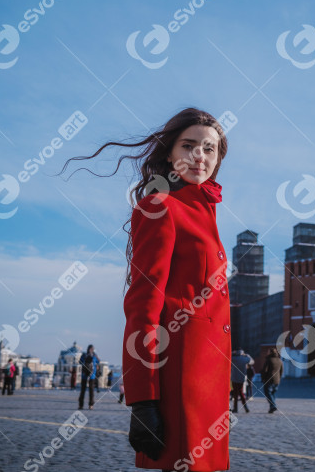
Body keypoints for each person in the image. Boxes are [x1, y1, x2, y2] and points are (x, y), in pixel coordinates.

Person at [67, 108, 230, 471]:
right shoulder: (160, 206)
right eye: (189, 146)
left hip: (209, 381)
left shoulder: (205, 210)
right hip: (179, 379)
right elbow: (143, 305)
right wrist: (143, 400)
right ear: (170, 152)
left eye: (210, 149)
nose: (199, 156)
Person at [261, 348, 284, 413]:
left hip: (269, 379)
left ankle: (273, 405)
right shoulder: (279, 360)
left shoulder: (269, 360)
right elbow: (281, 371)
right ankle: (271, 408)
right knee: (272, 393)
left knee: (268, 393)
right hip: (277, 380)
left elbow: (265, 370)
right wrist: (279, 378)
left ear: (270, 353)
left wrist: (263, 378)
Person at [78, 345, 99, 410]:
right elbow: (98, 362)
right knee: (88, 390)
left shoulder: (85, 355)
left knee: (86, 390)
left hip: (87, 375)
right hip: (89, 375)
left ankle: (84, 405)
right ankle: (88, 405)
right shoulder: (93, 355)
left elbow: (80, 362)